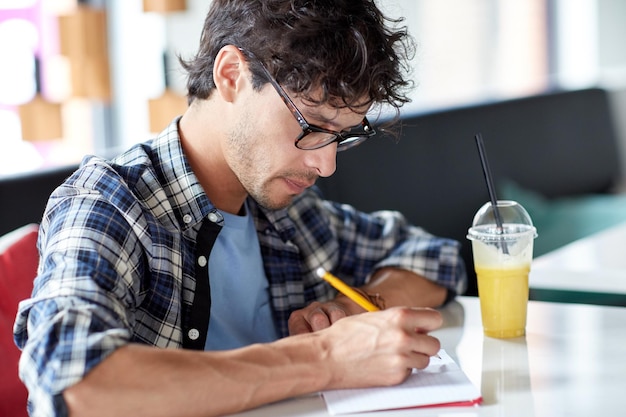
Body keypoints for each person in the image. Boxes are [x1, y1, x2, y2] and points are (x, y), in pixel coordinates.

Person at [14, 1, 467, 416]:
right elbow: (76, 383)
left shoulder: (285, 209)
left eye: (343, 136)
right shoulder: (111, 203)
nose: (325, 164)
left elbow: (432, 257)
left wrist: (357, 312)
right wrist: (328, 357)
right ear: (231, 75)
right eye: (314, 126)